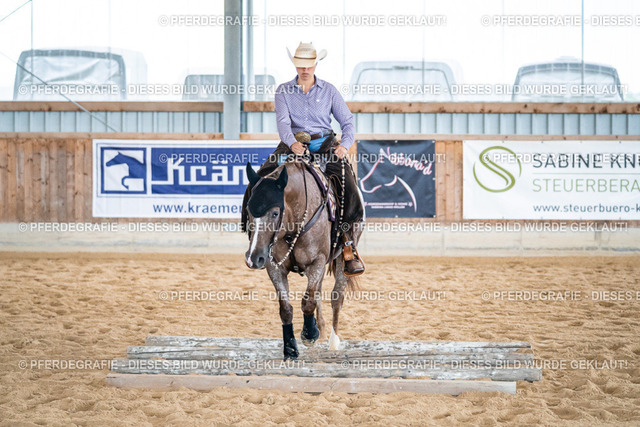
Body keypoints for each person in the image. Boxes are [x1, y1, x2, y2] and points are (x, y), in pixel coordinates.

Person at [244, 41, 365, 276]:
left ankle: (348, 244)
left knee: (347, 184)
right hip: (292, 144)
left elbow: (347, 121)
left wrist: (345, 145)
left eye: (309, 65)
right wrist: (292, 143)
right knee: (258, 180)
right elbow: (283, 123)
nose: (305, 69)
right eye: (301, 65)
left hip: (325, 144)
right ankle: (253, 233)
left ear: (316, 64)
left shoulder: (329, 90)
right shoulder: (283, 91)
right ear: (295, 65)